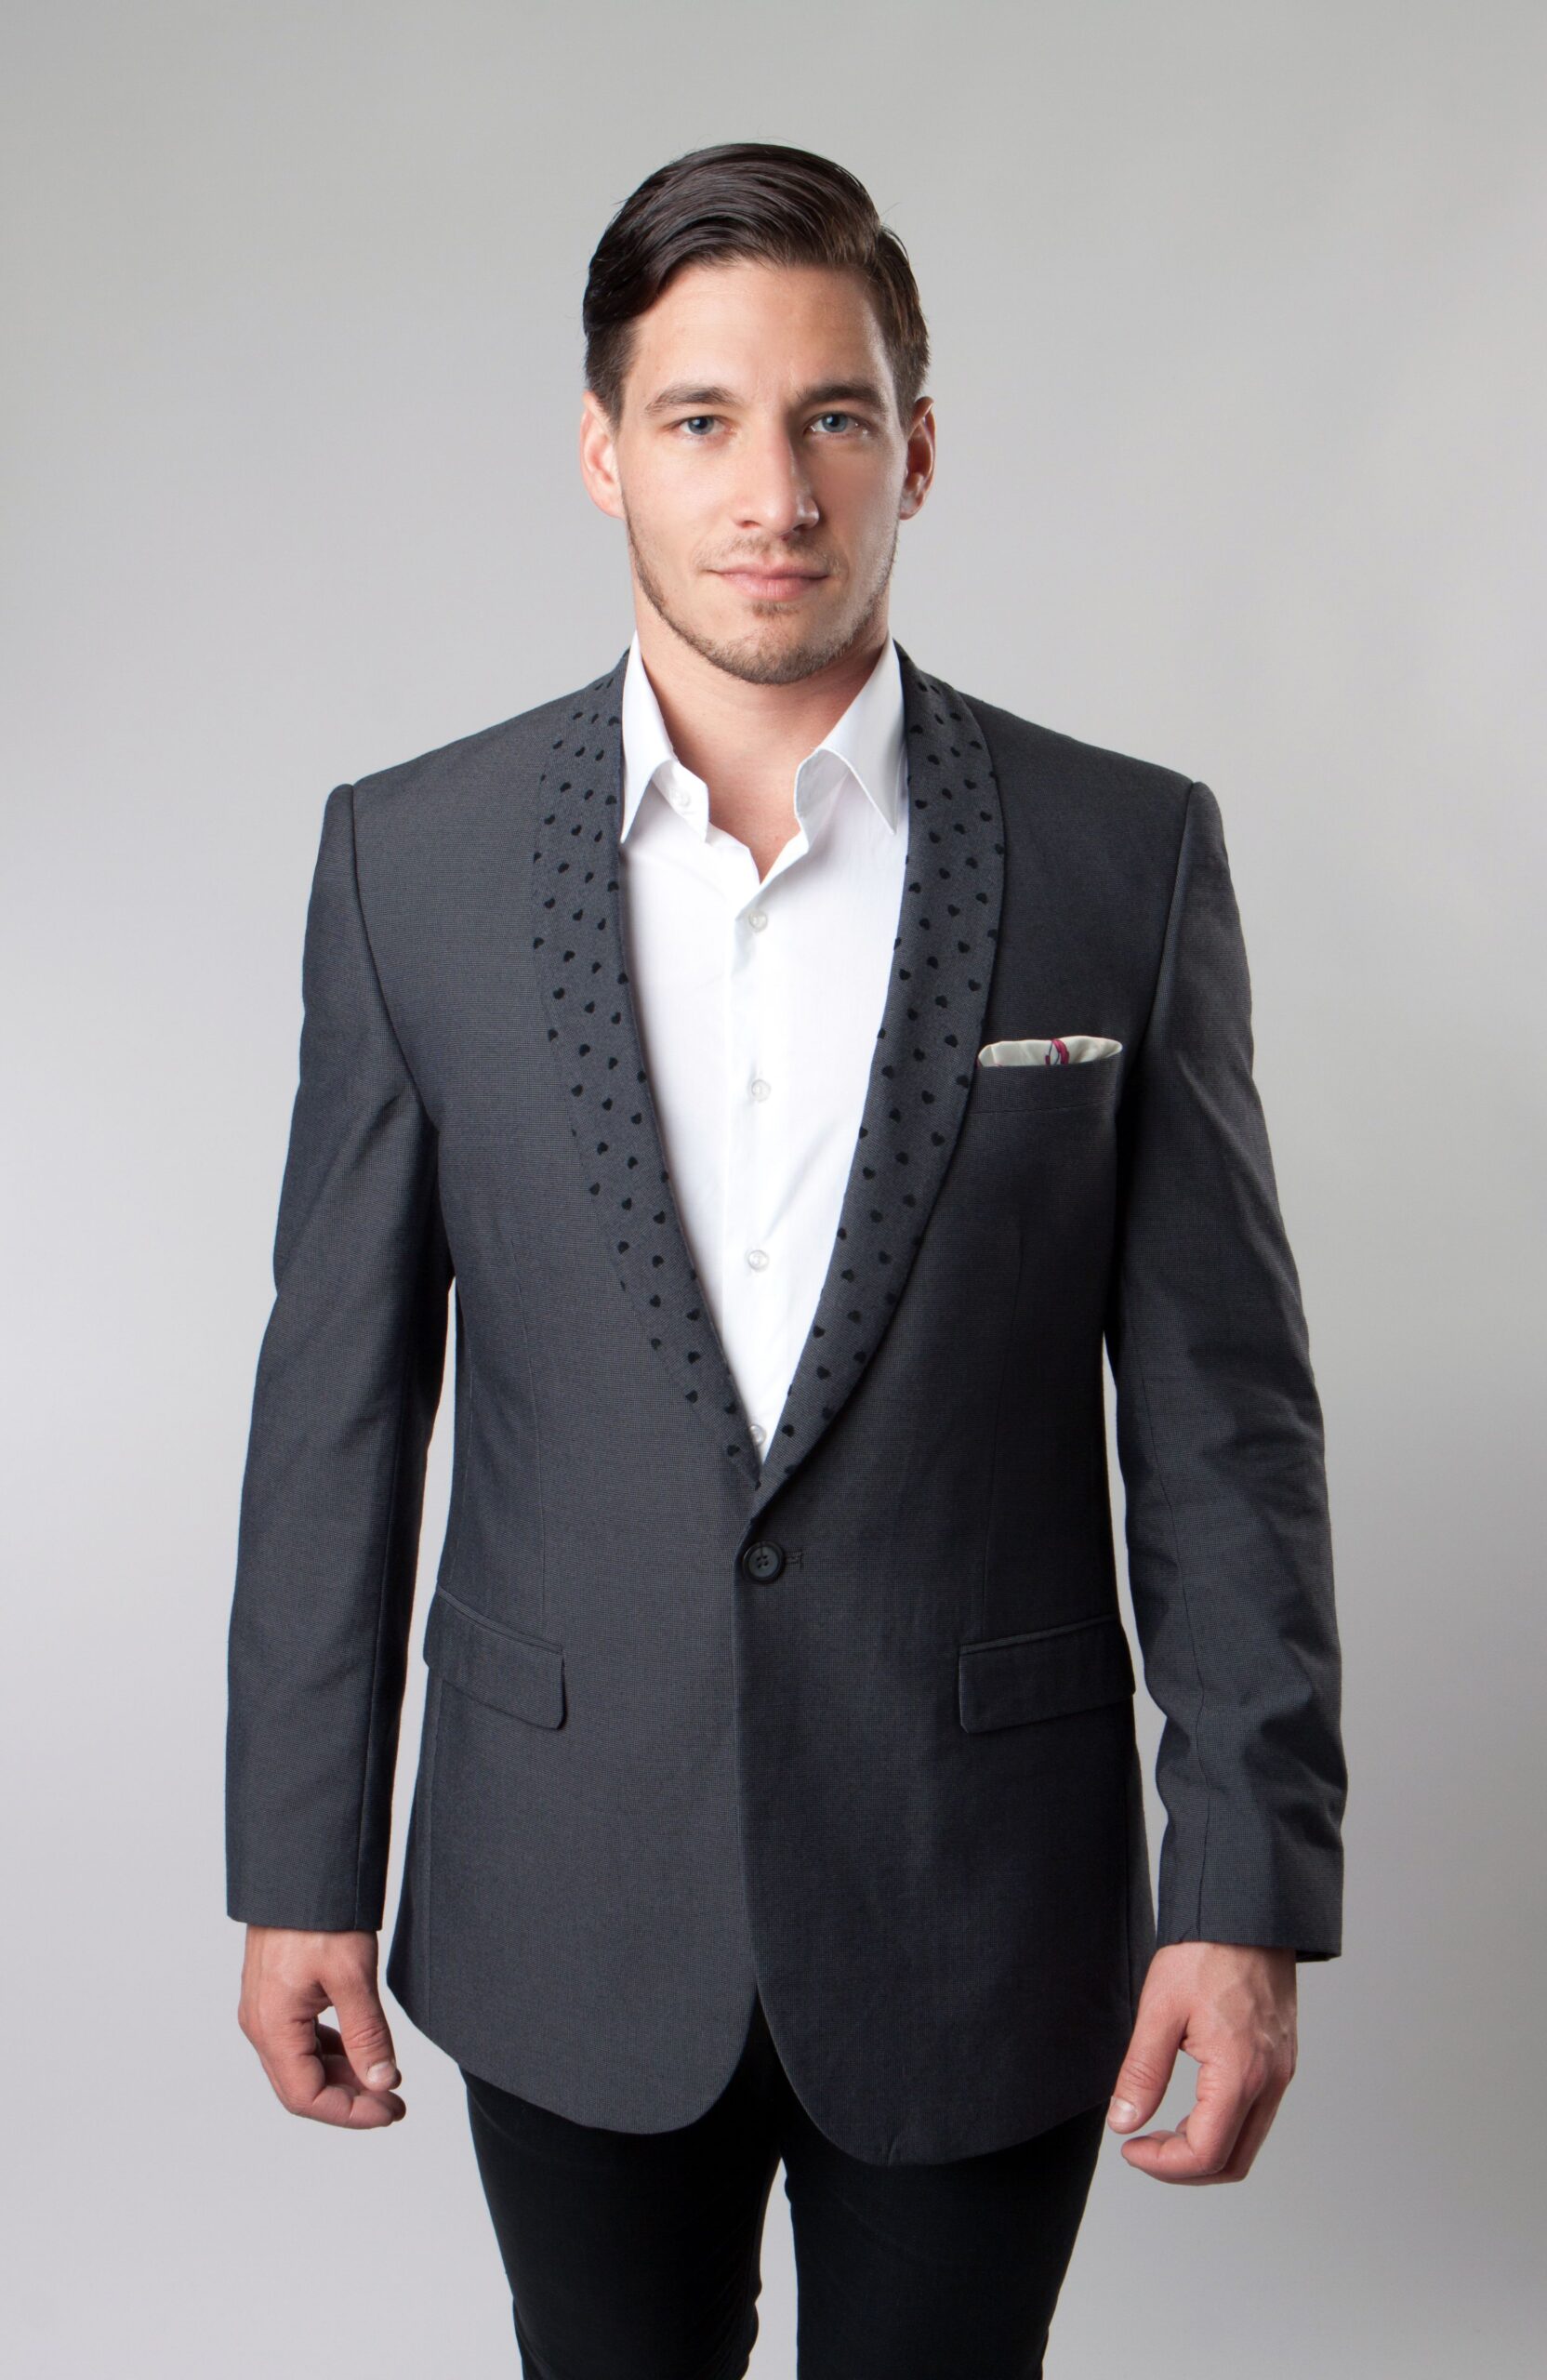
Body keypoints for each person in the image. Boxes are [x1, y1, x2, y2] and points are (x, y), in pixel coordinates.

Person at [226, 140, 1347, 2378]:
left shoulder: (1121, 856)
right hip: (560, 1880)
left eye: (833, 415)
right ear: (603, 451)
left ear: (914, 447)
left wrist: (1243, 1887)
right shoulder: (412, 862)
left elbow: (1222, 1424)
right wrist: (296, 1858)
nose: (773, 490)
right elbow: (336, 1403)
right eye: (701, 418)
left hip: (981, 1886)